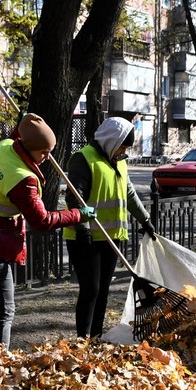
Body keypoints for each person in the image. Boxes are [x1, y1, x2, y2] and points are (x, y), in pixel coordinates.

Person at [0, 113, 94, 348]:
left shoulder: (4, 147)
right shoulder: (23, 180)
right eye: (43, 152)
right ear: (29, 146)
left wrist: (29, 122)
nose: (46, 157)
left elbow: (17, 135)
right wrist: (78, 215)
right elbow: (42, 221)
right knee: (4, 311)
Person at [64, 117, 156, 338]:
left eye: (126, 148)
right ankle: (82, 339)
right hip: (84, 237)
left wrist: (145, 220)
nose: (123, 151)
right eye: (122, 146)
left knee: (103, 290)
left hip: (111, 237)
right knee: (91, 289)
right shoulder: (83, 159)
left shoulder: (120, 162)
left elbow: (129, 194)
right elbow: (75, 197)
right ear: (111, 141)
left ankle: (96, 336)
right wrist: (83, 228)